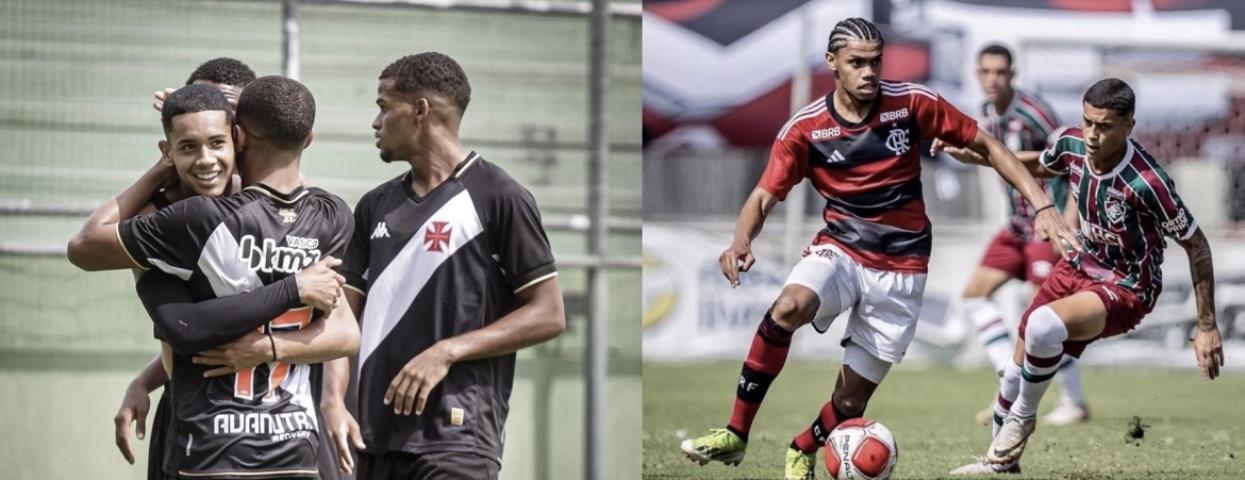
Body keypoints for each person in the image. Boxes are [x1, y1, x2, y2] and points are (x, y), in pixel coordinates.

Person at [676, 17, 1079, 480]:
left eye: (875, 62)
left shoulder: (911, 103)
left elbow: (988, 146)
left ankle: (803, 445)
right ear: (832, 64)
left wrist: (1043, 204)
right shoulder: (805, 129)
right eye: (856, 63)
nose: (869, 72)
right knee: (789, 306)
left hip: (904, 267)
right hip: (841, 249)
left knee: (850, 402)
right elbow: (765, 194)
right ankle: (735, 433)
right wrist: (741, 241)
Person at [68, 78, 360, 478]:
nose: (205, 158)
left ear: (237, 137)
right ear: (309, 139)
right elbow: (346, 335)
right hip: (294, 450)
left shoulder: (191, 222)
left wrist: (166, 164)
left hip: (211, 451)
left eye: (216, 141)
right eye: (189, 145)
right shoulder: (333, 215)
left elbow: (87, 247)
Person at [948, 78, 1223, 475]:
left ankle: (1025, 419)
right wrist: (979, 156)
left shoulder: (1149, 183)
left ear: (1129, 125)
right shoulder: (1070, 143)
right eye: (1088, 122)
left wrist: (1207, 325)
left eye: (1105, 126)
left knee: (1043, 327)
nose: (1093, 135)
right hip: (1076, 266)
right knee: (1012, 374)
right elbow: (1042, 164)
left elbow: (1196, 245)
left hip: (1126, 287)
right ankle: (999, 464)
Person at [318, 52, 566, 480]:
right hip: (372, 438)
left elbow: (549, 313)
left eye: (383, 106)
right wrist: (333, 403)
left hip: (458, 436)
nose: (376, 123)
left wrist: (446, 352)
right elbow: (344, 317)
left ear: (420, 110)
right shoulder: (374, 205)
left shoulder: (499, 195)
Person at [940, 44, 1090, 427]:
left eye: (1000, 72)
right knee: (974, 296)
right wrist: (956, 148)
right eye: (986, 71)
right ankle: (1009, 379)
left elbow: (1073, 162)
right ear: (978, 74)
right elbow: (991, 156)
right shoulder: (987, 113)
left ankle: (1072, 402)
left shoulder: (1034, 114)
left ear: (1012, 74)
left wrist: (1067, 222)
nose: (993, 79)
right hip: (1015, 227)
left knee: (1041, 318)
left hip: (1045, 226)